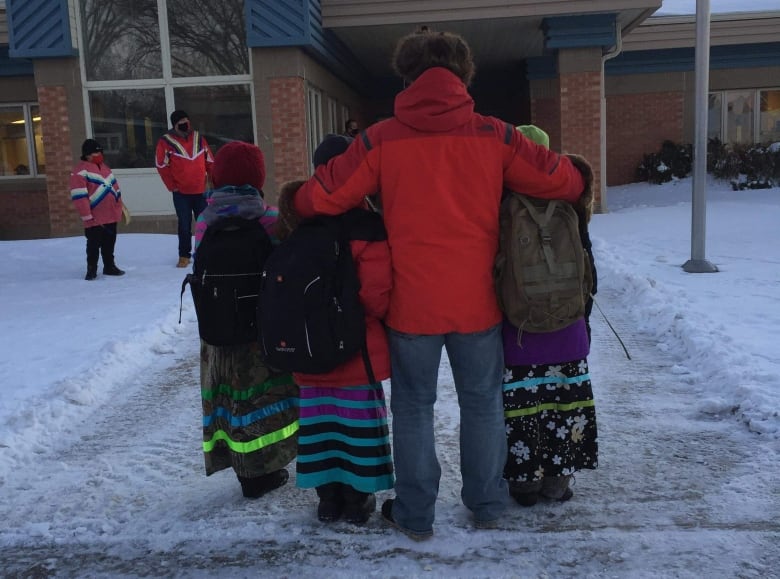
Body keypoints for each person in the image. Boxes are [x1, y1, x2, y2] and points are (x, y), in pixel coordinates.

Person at [289, 28, 589, 539]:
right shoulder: (495, 135)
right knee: (482, 405)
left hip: (411, 309)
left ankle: (415, 514)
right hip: (479, 306)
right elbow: (566, 180)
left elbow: (317, 200)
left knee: (413, 410)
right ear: (464, 75)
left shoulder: (381, 139)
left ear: (407, 76)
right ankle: (488, 503)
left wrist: (294, 197)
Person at [276, 134, 394, 525]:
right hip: (355, 352)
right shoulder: (368, 226)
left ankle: (328, 499)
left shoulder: (300, 224)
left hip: (309, 355)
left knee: (320, 427)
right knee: (358, 428)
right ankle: (358, 499)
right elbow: (376, 295)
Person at [194, 141, 298, 499]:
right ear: (258, 177)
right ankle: (264, 471)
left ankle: (239, 469)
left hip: (216, 333)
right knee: (262, 400)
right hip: (260, 331)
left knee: (226, 401)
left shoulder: (204, 223)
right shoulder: (270, 219)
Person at [502, 125, 599, 506]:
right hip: (568, 331)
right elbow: (588, 269)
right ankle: (558, 483)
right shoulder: (570, 199)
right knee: (565, 405)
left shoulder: (503, 202)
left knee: (523, 410)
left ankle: (524, 484)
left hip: (519, 331)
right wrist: (581, 319)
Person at [156, 110, 214, 268]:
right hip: (181, 193)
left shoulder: (199, 139)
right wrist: (172, 186)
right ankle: (184, 255)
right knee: (184, 224)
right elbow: (161, 166)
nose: (185, 123)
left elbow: (210, 162)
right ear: (174, 124)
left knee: (205, 224)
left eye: (186, 120)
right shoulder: (166, 142)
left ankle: (205, 253)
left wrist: (213, 183)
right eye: (181, 121)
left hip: (200, 191)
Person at [69, 139, 125, 280]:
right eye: (96, 152)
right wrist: (86, 215)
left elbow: (116, 189)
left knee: (109, 243)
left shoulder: (105, 168)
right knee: (93, 245)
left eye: (101, 151)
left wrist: (118, 207)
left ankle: (109, 266)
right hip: (94, 217)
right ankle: (92, 269)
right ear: (87, 154)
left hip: (111, 215)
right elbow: (79, 196)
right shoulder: (80, 172)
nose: (99, 154)